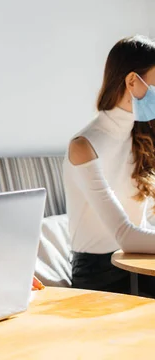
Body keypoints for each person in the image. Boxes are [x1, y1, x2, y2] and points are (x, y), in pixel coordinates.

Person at [64, 35, 155, 295]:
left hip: (142, 264)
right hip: (98, 276)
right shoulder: (83, 146)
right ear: (131, 82)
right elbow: (125, 235)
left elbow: (146, 222)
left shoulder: (141, 137)